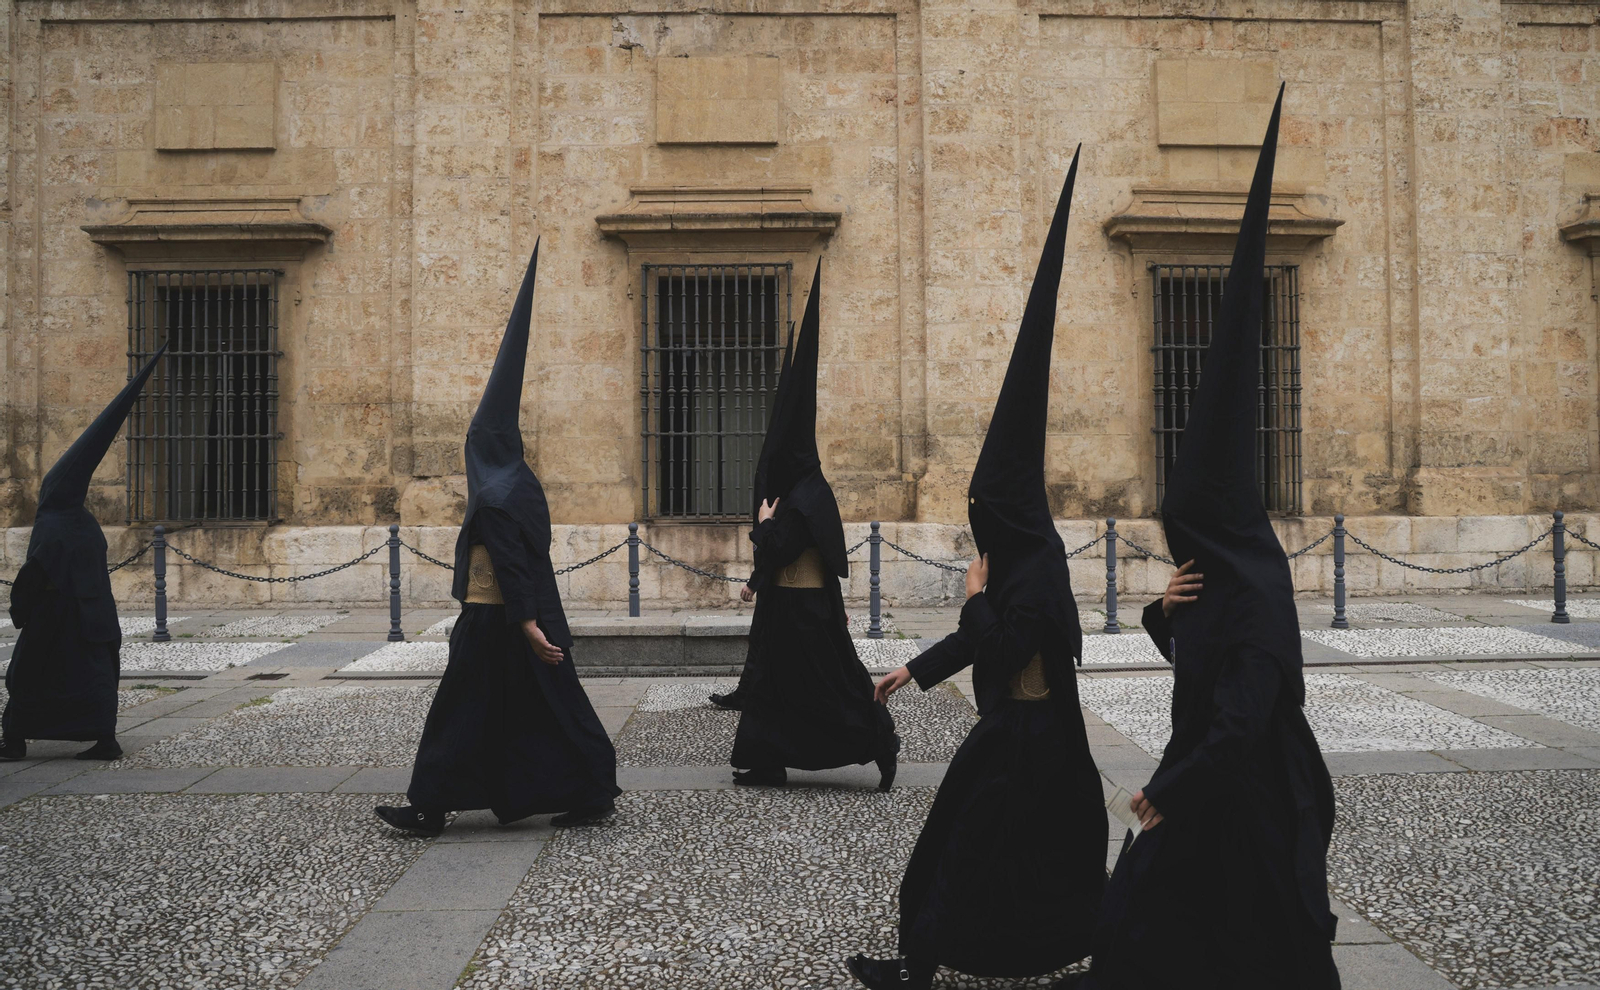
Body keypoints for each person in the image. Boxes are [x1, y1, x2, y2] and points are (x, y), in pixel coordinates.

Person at [1068, 89, 1341, 990]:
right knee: (1165, 904)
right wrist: (1160, 608)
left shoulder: (1258, 595)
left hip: (1254, 792)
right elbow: (1199, 659)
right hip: (1215, 776)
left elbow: (1240, 712)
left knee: (1261, 928)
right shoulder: (1222, 584)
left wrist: (1165, 789)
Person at [848, 150, 1106, 990]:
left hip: (1033, 741)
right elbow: (981, 645)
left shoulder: (1035, 571)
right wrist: (908, 669)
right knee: (976, 854)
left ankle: (935, 967)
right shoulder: (1023, 561)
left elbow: (1004, 645)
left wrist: (970, 602)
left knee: (983, 851)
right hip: (1021, 737)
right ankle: (925, 963)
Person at [375, 244, 620, 837]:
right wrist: (537, 622)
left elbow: (511, 561)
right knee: (545, 710)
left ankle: (429, 805)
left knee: (460, 713)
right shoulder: (523, 482)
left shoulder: (492, 496)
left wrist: (528, 627)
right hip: (528, 616)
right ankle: (590, 788)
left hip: (498, 622)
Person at [724, 261, 900, 790]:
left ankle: (879, 741)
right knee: (775, 688)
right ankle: (768, 761)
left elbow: (785, 545)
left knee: (828, 687)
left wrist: (762, 526)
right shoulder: (806, 488)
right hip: (791, 606)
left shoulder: (804, 496)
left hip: (805, 610)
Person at [2, 346, 167, 764]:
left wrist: (22, 608)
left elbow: (36, 571)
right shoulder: (84, 521)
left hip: (58, 620)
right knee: (94, 680)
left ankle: (15, 740)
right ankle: (102, 739)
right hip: (94, 617)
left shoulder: (55, 523)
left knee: (27, 676)